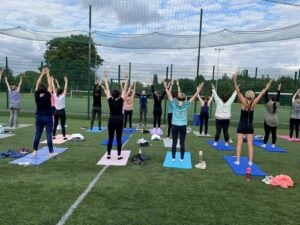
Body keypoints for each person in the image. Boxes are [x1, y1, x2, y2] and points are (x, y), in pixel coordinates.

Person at [232, 74, 273, 166]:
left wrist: (234, 81)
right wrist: (269, 83)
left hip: (242, 125)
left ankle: (237, 161)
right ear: (253, 96)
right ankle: (250, 162)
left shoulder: (243, 101)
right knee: (250, 144)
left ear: (246, 95)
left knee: (239, 143)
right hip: (249, 125)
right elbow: (263, 91)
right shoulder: (254, 103)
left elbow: (237, 91)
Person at [163, 80, 204, 162]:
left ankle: (173, 158)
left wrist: (165, 87)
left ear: (177, 98)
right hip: (183, 126)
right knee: (182, 142)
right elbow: (194, 96)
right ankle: (181, 158)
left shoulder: (174, 103)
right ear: (184, 98)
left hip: (174, 125)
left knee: (174, 142)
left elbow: (168, 94)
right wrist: (198, 90)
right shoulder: (186, 104)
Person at [100, 72, 128, 160]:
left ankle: (108, 154)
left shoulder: (110, 100)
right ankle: (119, 155)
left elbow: (107, 89)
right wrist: (126, 79)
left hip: (111, 120)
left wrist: (105, 78)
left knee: (110, 138)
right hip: (119, 120)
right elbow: (125, 90)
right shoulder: (121, 100)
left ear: (112, 95)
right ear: (119, 95)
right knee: (119, 138)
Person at [32, 67, 55, 157]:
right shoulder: (48, 95)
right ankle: (51, 152)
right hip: (47, 117)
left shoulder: (36, 95)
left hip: (39, 117)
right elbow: (50, 85)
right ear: (45, 89)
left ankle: (34, 151)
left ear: (38, 89)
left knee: (37, 134)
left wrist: (42, 73)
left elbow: (37, 84)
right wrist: (47, 74)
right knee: (48, 135)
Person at [261, 84, 281, 148]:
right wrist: (278, 89)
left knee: (267, 133)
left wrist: (267, 88)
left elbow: (266, 96)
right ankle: (273, 145)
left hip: (268, 121)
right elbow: (278, 97)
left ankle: (264, 144)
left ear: (271, 100)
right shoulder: (277, 104)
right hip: (275, 121)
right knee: (274, 133)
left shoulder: (268, 104)